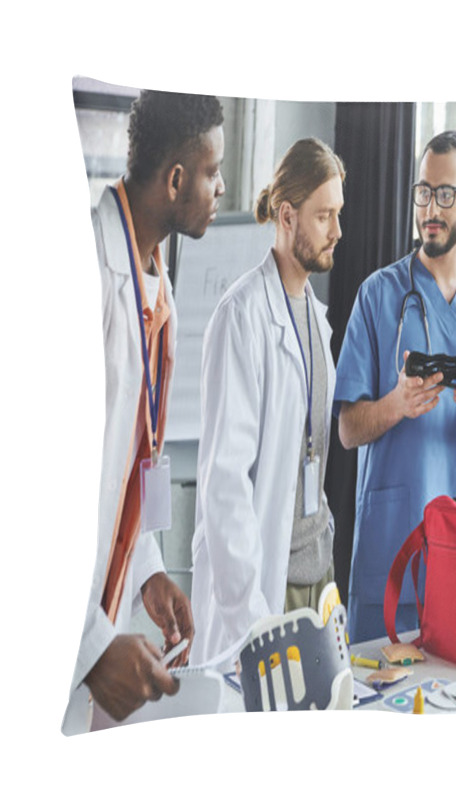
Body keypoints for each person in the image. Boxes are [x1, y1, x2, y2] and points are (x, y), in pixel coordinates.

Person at [63, 90, 226, 734]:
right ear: (177, 178)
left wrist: (150, 573)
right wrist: (88, 644)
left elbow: (134, 463)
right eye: (213, 173)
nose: (219, 189)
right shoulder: (84, 273)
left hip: (97, 613)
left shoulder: (154, 288)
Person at [334, 130, 456, 643]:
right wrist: (395, 404)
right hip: (387, 551)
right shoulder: (377, 295)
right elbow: (348, 430)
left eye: (444, 194)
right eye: (422, 192)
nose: (429, 209)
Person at [190, 138, 345, 667]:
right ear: (287, 215)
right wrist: (253, 619)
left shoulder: (317, 322)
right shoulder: (242, 316)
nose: (337, 232)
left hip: (314, 578)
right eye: (324, 216)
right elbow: (224, 483)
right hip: (261, 589)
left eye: (338, 214)